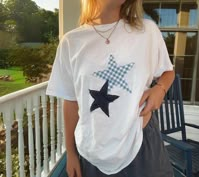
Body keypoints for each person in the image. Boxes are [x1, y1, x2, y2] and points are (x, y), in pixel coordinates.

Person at [46, 0, 175, 176]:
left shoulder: (147, 31)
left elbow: (168, 72)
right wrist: (71, 152)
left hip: (140, 143)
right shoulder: (71, 42)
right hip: (92, 152)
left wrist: (160, 89)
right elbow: (70, 101)